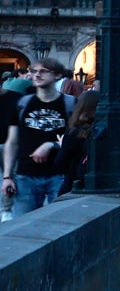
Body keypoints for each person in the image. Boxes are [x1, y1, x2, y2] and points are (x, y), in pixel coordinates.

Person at [4, 55, 76, 212]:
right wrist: (7, 176)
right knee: (23, 223)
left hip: (59, 175)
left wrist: (51, 145)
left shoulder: (70, 103)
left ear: (57, 75)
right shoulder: (22, 104)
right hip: (26, 175)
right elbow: (12, 142)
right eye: (34, 71)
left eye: (43, 71)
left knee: (58, 222)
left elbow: (76, 138)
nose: (37, 75)